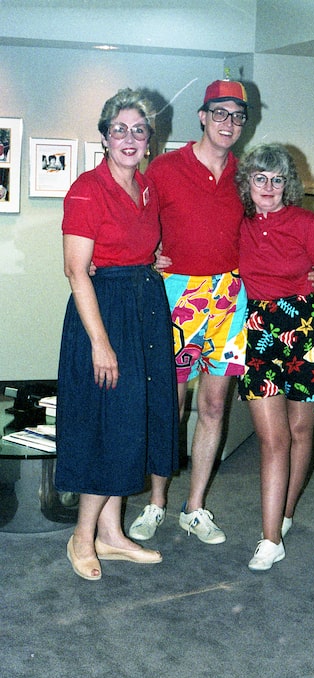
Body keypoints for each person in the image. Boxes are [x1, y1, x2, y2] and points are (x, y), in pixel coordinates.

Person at [56, 87, 179, 581]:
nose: (129, 138)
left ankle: (111, 534)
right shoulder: (88, 187)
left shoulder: (146, 188)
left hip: (143, 308)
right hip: (104, 316)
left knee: (134, 422)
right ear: (105, 136)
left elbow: (130, 244)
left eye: (139, 130)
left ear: (150, 139)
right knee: (110, 424)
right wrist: (100, 343)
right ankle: (82, 537)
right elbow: (76, 270)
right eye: (119, 129)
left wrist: (148, 262)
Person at [128, 79, 250, 545]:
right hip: (177, 295)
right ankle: (157, 502)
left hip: (229, 297)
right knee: (170, 405)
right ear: (202, 117)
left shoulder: (244, 174)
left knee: (216, 404)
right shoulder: (164, 168)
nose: (228, 123)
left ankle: (194, 507)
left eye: (237, 116)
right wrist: (149, 254)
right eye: (220, 113)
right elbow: (139, 221)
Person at [235, 143, 314, 571]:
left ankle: (283, 514)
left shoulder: (306, 222)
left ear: (289, 185)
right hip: (259, 333)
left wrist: (300, 299)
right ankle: (270, 539)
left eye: (277, 179)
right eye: (260, 178)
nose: (268, 187)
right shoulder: (239, 223)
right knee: (272, 438)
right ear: (247, 182)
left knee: (302, 431)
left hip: (304, 330)